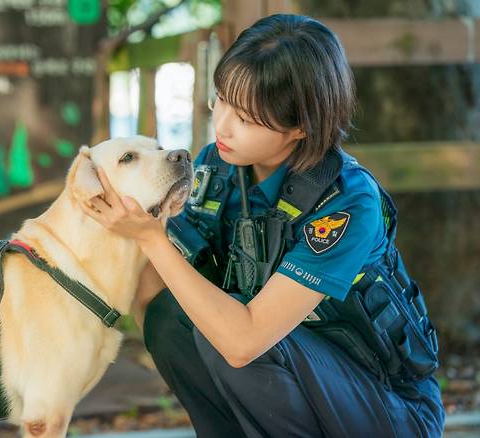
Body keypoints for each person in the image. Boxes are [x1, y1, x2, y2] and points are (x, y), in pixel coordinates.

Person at [79, 14, 445, 438]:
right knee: (169, 317)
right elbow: (171, 291)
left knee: (241, 345)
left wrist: (151, 239)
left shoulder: (347, 203)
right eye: (221, 99)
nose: (223, 125)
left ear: (300, 126)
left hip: (388, 408)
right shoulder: (219, 166)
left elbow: (243, 342)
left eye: (247, 118)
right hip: (297, 379)